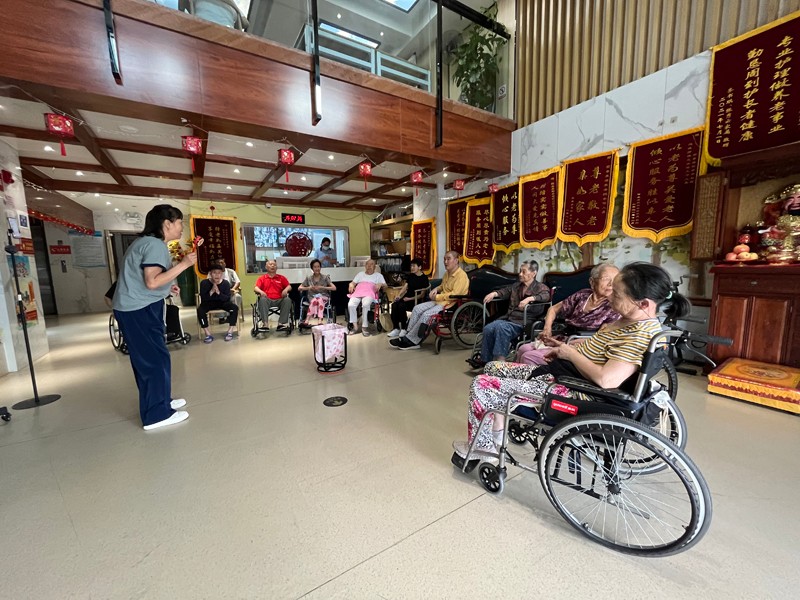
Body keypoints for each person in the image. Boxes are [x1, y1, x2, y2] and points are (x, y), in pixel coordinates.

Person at [452, 262, 690, 460]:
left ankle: (484, 448)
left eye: (617, 293)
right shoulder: (629, 319)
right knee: (492, 367)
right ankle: (496, 431)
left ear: (644, 303)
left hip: (576, 391)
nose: (610, 295)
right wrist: (565, 348)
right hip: (567, 373)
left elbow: (607, 380)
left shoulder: (638, 333)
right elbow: (600, 349)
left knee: (482, 384)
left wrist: (570, 354)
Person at [112, 204, 197, 431]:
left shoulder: (144, 243)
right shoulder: (155, 245)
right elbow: (152, 281)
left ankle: (161, 400)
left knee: (152, 358)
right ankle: (156, 414)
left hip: (136, 307)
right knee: (154, 360)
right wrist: (184, 264)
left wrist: (167, 287)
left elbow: (151, 280)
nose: (181, 227)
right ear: (167, 224)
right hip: (139, 309)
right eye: (179, 222)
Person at [515, 264, 621, 365]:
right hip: (564, 337)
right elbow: (553, 309)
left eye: (615, 279)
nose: (611, 284)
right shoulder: (583, 295)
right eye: (606, 278)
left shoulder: (615, 306)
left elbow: (599, 340)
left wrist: (563, 344)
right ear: (592, 282)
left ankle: (541, 377)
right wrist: (547, 329)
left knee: (529, 357)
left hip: (581, 346)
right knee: (522, 349)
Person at [467, 260, 550, 368]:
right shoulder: (516, 286)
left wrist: (530, 298)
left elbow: (546, 296)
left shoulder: (541, 287)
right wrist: (494, 293)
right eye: (520, 271)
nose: (520, 274)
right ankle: (485, 360)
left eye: (524, 272)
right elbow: (505, 291)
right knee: (489, 328)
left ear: (533, 273)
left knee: (501, 328)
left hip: (525, 321)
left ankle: (500, 361)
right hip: (509, 318)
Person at [390, 250, 469, 350]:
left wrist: (437, 296)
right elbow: (442, 286)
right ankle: (408, 334)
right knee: (417, 308)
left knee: (426, 314)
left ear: (456, 260)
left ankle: (413, 341)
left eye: (448, 259)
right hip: (440, 301)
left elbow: (455, 294)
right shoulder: (447, 273)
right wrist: (436, 289)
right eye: (444, 259)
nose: (445, 262)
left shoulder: (461, 276)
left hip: (450, 303)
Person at [387, 258, 430, 338]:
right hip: (407, 297)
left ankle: (404, 328)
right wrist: (398, 295)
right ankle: (396, 328)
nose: (412, 268)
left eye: (413, 266)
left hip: (416, 299)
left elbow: (422, 295)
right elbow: (405, 287)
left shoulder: (424, 278)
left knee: (401, 306)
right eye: (411, 266)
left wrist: (409, 299)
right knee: (394, 305)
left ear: (420, 267)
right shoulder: (411, 276)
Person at [197, 264, 239, 343]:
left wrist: (219, 293)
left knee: (234, 308)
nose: (217, 275)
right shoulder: (204, 283)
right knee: (200, 310)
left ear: (222, 274)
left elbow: (227, 298)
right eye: (214, 273)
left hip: (222, 303)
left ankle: (230, 332)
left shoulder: (225, 283)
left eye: (219, 273)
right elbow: (204, 298)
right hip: (209, 303)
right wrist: (211, 291)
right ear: (210, 274)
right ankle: (207, 334)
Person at [347, 258, 386, 336]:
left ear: (375, 267)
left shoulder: (378, 275)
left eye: (371, 264)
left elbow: (386, 286)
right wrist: (351, 284)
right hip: (358, 292)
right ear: (365, 266)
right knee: (350, 305)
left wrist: (381, 284)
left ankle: (364, 327)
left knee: (365, 305)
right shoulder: (360, 274)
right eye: (367, 264)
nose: (369, 266)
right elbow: (353, 283)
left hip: (369, 293)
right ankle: (355, 326)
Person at [254, 259, 292, 331]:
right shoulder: (262, 278)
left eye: (274, 265)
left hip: (280, 299)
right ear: (266, 267)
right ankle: (265, 324)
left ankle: (281, 324)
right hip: (267, 299)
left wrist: (286, 290)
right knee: (262, 300)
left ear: (276, 267)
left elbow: (289, 286)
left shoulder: (281, 278)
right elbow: (256, 288)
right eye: (270, 264)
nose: (272, 266)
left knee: (287, 300)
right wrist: (261, 292)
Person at [299, 259, 336, 325]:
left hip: (323, 296)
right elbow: (299, 288)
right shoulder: (309, 278)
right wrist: (308, 288)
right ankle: (318, 319)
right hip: (312, 297)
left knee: (319, 299)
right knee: (315, 299)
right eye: (315, 267)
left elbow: (334, 288)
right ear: (312, 268)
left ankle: (308, 319)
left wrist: (322, 287)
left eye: (318, 266)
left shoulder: (325, 277)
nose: (317, 268)